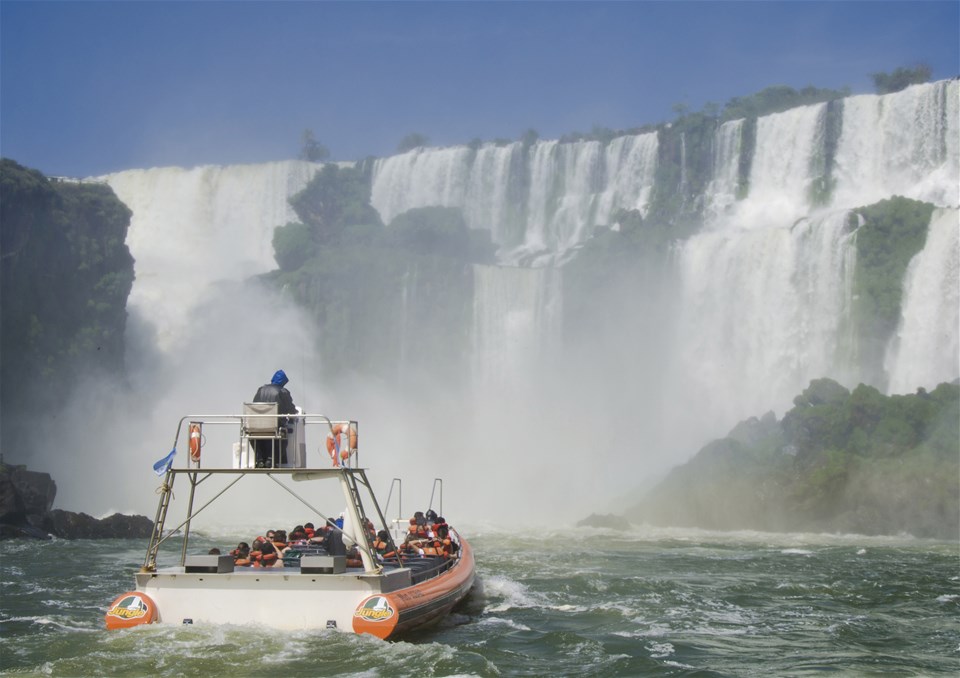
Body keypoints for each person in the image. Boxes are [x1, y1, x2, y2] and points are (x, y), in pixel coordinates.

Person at [252, 369, 297, 467]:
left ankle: (259, 460)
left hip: (256, 425)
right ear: (283, 382)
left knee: (257, 435)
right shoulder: (283, 391)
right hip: (274, 426)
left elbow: (254, 406)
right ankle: (271, 460)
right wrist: (293, 416)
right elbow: (290, 408)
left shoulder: (261, 389)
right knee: (283, 433)